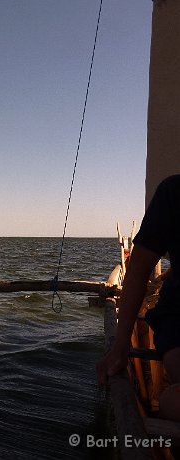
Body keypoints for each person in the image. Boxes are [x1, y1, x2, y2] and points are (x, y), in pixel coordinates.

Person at [96, 174, 180, 420]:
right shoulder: (173, 192)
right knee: (173, 401)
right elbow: (139, 269)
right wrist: (121, 345)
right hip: (177, 317)